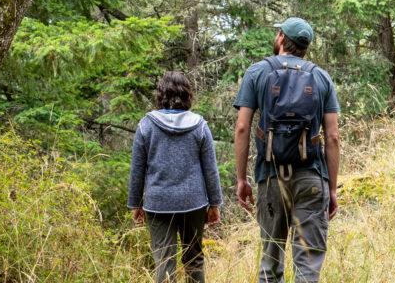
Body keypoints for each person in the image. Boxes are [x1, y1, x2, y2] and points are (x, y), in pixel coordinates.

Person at [233, 18, 341, 283]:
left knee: (271, 261)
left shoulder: (257, 72)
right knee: (308, 264)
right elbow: (333, 137)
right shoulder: (321, 77)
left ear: (281, 38)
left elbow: (243, 128)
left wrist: (241, 178)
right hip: (311, 178)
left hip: (270, 176)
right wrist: (332, 187)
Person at [127, 69, 222, 283]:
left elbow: (137, 170)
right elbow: (210, 169)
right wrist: (214, 204)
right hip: (193, 202)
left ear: (161, 95)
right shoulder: (200, 126)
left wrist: (135, 204)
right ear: (187, 95)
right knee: (194, 260)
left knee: (164, 261)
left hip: (158, 203)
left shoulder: (146, 126)